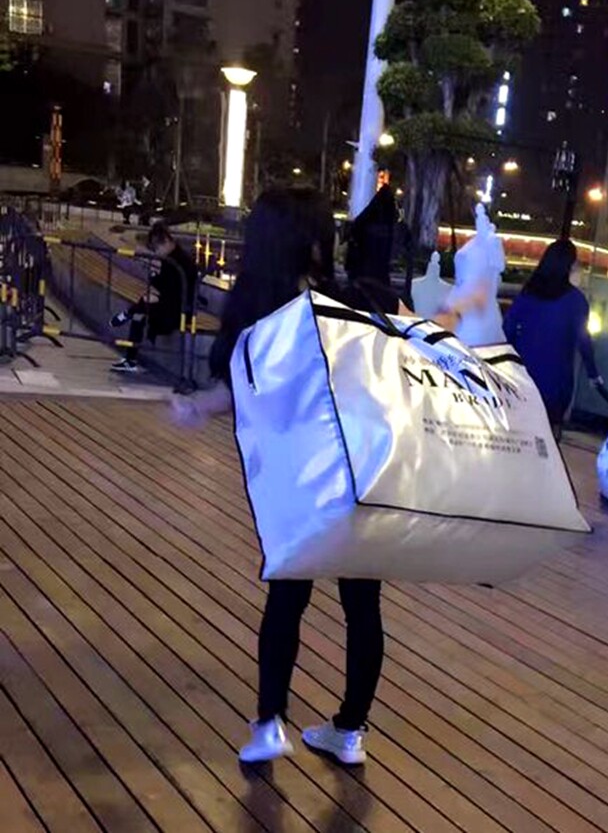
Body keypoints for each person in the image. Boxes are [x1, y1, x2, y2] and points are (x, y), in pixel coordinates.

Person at [172, 187, 484, 766]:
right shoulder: (356, 298)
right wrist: (460, 306)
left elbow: (234, 393)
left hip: (299, 483)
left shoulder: (257, 313)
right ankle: (350, 731)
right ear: (313, 239)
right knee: (363, 607)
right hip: (367, 476)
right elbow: (425, 341)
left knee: (286, 598)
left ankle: (270, 724)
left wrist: (193, 408)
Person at [503, 239, 602, 430]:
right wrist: (593, 374)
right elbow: (583, 340)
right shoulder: (576, 300)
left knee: (521, 429)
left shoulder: (528, 293)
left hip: (522, 374)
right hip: (556, 379)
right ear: (569, 266)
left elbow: (508, 328)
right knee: (548, 430)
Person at [110, 223, 198, 372]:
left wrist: (155, 289)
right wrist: (154, 278)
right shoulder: (174, 258)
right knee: (142, 307)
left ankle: (128, 316)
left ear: (166, 242)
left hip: (180, 311)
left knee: (142, 308)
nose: (157, 252)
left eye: (157, 248)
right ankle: (130, 356)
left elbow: (172, 290)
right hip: (175, 304)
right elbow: (168, 286)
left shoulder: (178, 261)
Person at [345, 183, 397, 286]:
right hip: (379, 271)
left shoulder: (369, 215)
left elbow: (355, 229)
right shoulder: (389, 222)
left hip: (363, 267)